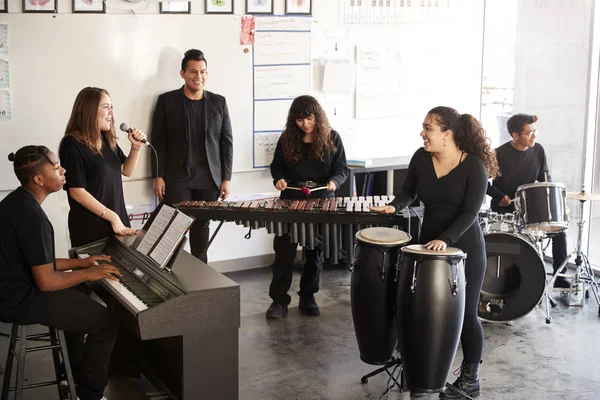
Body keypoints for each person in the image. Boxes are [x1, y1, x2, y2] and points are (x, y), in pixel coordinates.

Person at [371, 106, 499, 398]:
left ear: (447, 134)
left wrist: (445, 238)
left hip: (464, 247)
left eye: (428, 128)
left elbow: (470, 213)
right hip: (427, 246)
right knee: (419, 310)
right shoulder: (421, 157)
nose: (422, 133)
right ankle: (416, 369)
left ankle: (470, 378)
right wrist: (394, 206)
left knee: (466, 315)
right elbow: (408, 192)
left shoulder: (474, 166)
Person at [0, 145, 122, 400]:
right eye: (56, 167)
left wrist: (82, 264)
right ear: (38, 179)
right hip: (17, 298)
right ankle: (89, 393)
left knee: (78, 292)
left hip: (13, 288)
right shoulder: (32, 216)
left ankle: (72, 377)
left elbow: (38, 262)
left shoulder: (18, 201)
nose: (63, 169)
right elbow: (46, 281)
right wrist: (91, 274)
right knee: (109, 321)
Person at [266, 95, 349, 319]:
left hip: (321, 198)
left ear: (317, 117)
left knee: (315, 252)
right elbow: (277, 167)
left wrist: (335, 182)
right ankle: (279, 300)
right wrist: (279, 179)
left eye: (309, 119)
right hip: (291, 198)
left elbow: (342, 169)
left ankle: (307, 296)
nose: (305, 124)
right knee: (284, 252)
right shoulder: (287, 140)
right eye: (300, 120)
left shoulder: (332, 138)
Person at [151, 48, 233, 264]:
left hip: (209, 179)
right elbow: (157, 141)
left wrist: (226, 178)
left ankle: (200, 276)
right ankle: (167, 273)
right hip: (178, 177)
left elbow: (227, 141)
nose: (199, 77)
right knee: (173, 227)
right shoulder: (167, 101)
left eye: (203, 72)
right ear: (183, 74)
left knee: (202, 228)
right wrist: (158, 175)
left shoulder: (219, 102)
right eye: (193, 72)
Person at [486, 113, 569, 289]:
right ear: (515, 135)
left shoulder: (538, 150)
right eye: (529, 132)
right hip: (504, 211)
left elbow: (544, 177)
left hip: (529, 209)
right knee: (514, 245)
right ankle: (512, 282)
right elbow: (482, 182)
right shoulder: (498, 154)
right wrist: (499, 195)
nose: (534, 135)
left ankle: (560, 278)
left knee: (559, 232)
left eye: (534, 131)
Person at [59, 86, 145, 248]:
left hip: (117, 222)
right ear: (89, 110)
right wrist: (112, 216)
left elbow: (126, 170)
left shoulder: (107, 140)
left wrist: (136, 148)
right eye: (106, 107)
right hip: (92, 226)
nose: (111, 113)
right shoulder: (72, 143)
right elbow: (77, 192)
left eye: (112, 107)